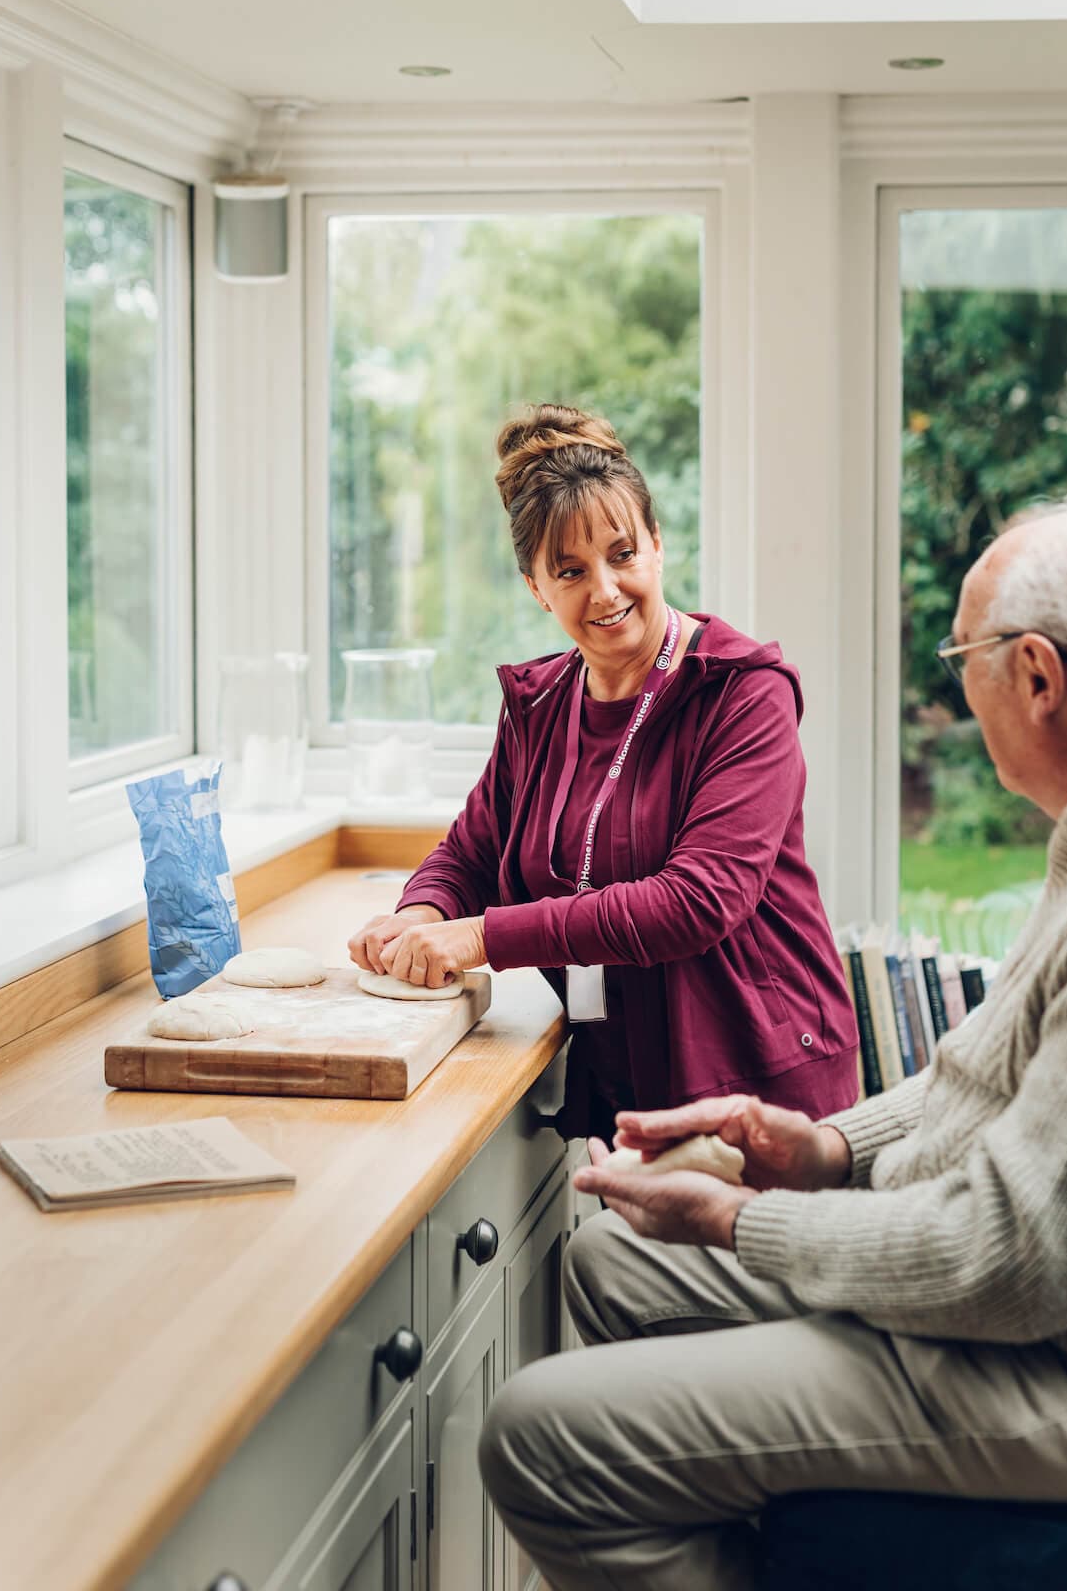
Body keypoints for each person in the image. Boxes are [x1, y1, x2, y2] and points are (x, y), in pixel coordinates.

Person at [478, 493, 1067, 1591]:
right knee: (616, 1260)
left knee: (538, 1432)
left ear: (1033, 676)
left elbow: (1016, 1259)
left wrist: (744, 1220)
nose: (952, 687)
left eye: (958, 654)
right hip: (1011, 1288)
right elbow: (1010, 1072)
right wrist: (822, 1148)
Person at [348, 404, 859, 1138]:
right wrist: (420, 917)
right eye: (570, 571)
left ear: (656, 544)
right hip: (627, 1082)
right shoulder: (541, 703)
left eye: (623, 554)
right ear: (535, 587)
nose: (607, 590)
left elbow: (698, 901)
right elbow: (471, 852)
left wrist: (481, 938)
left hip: (761, 1086)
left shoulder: (745, 692)